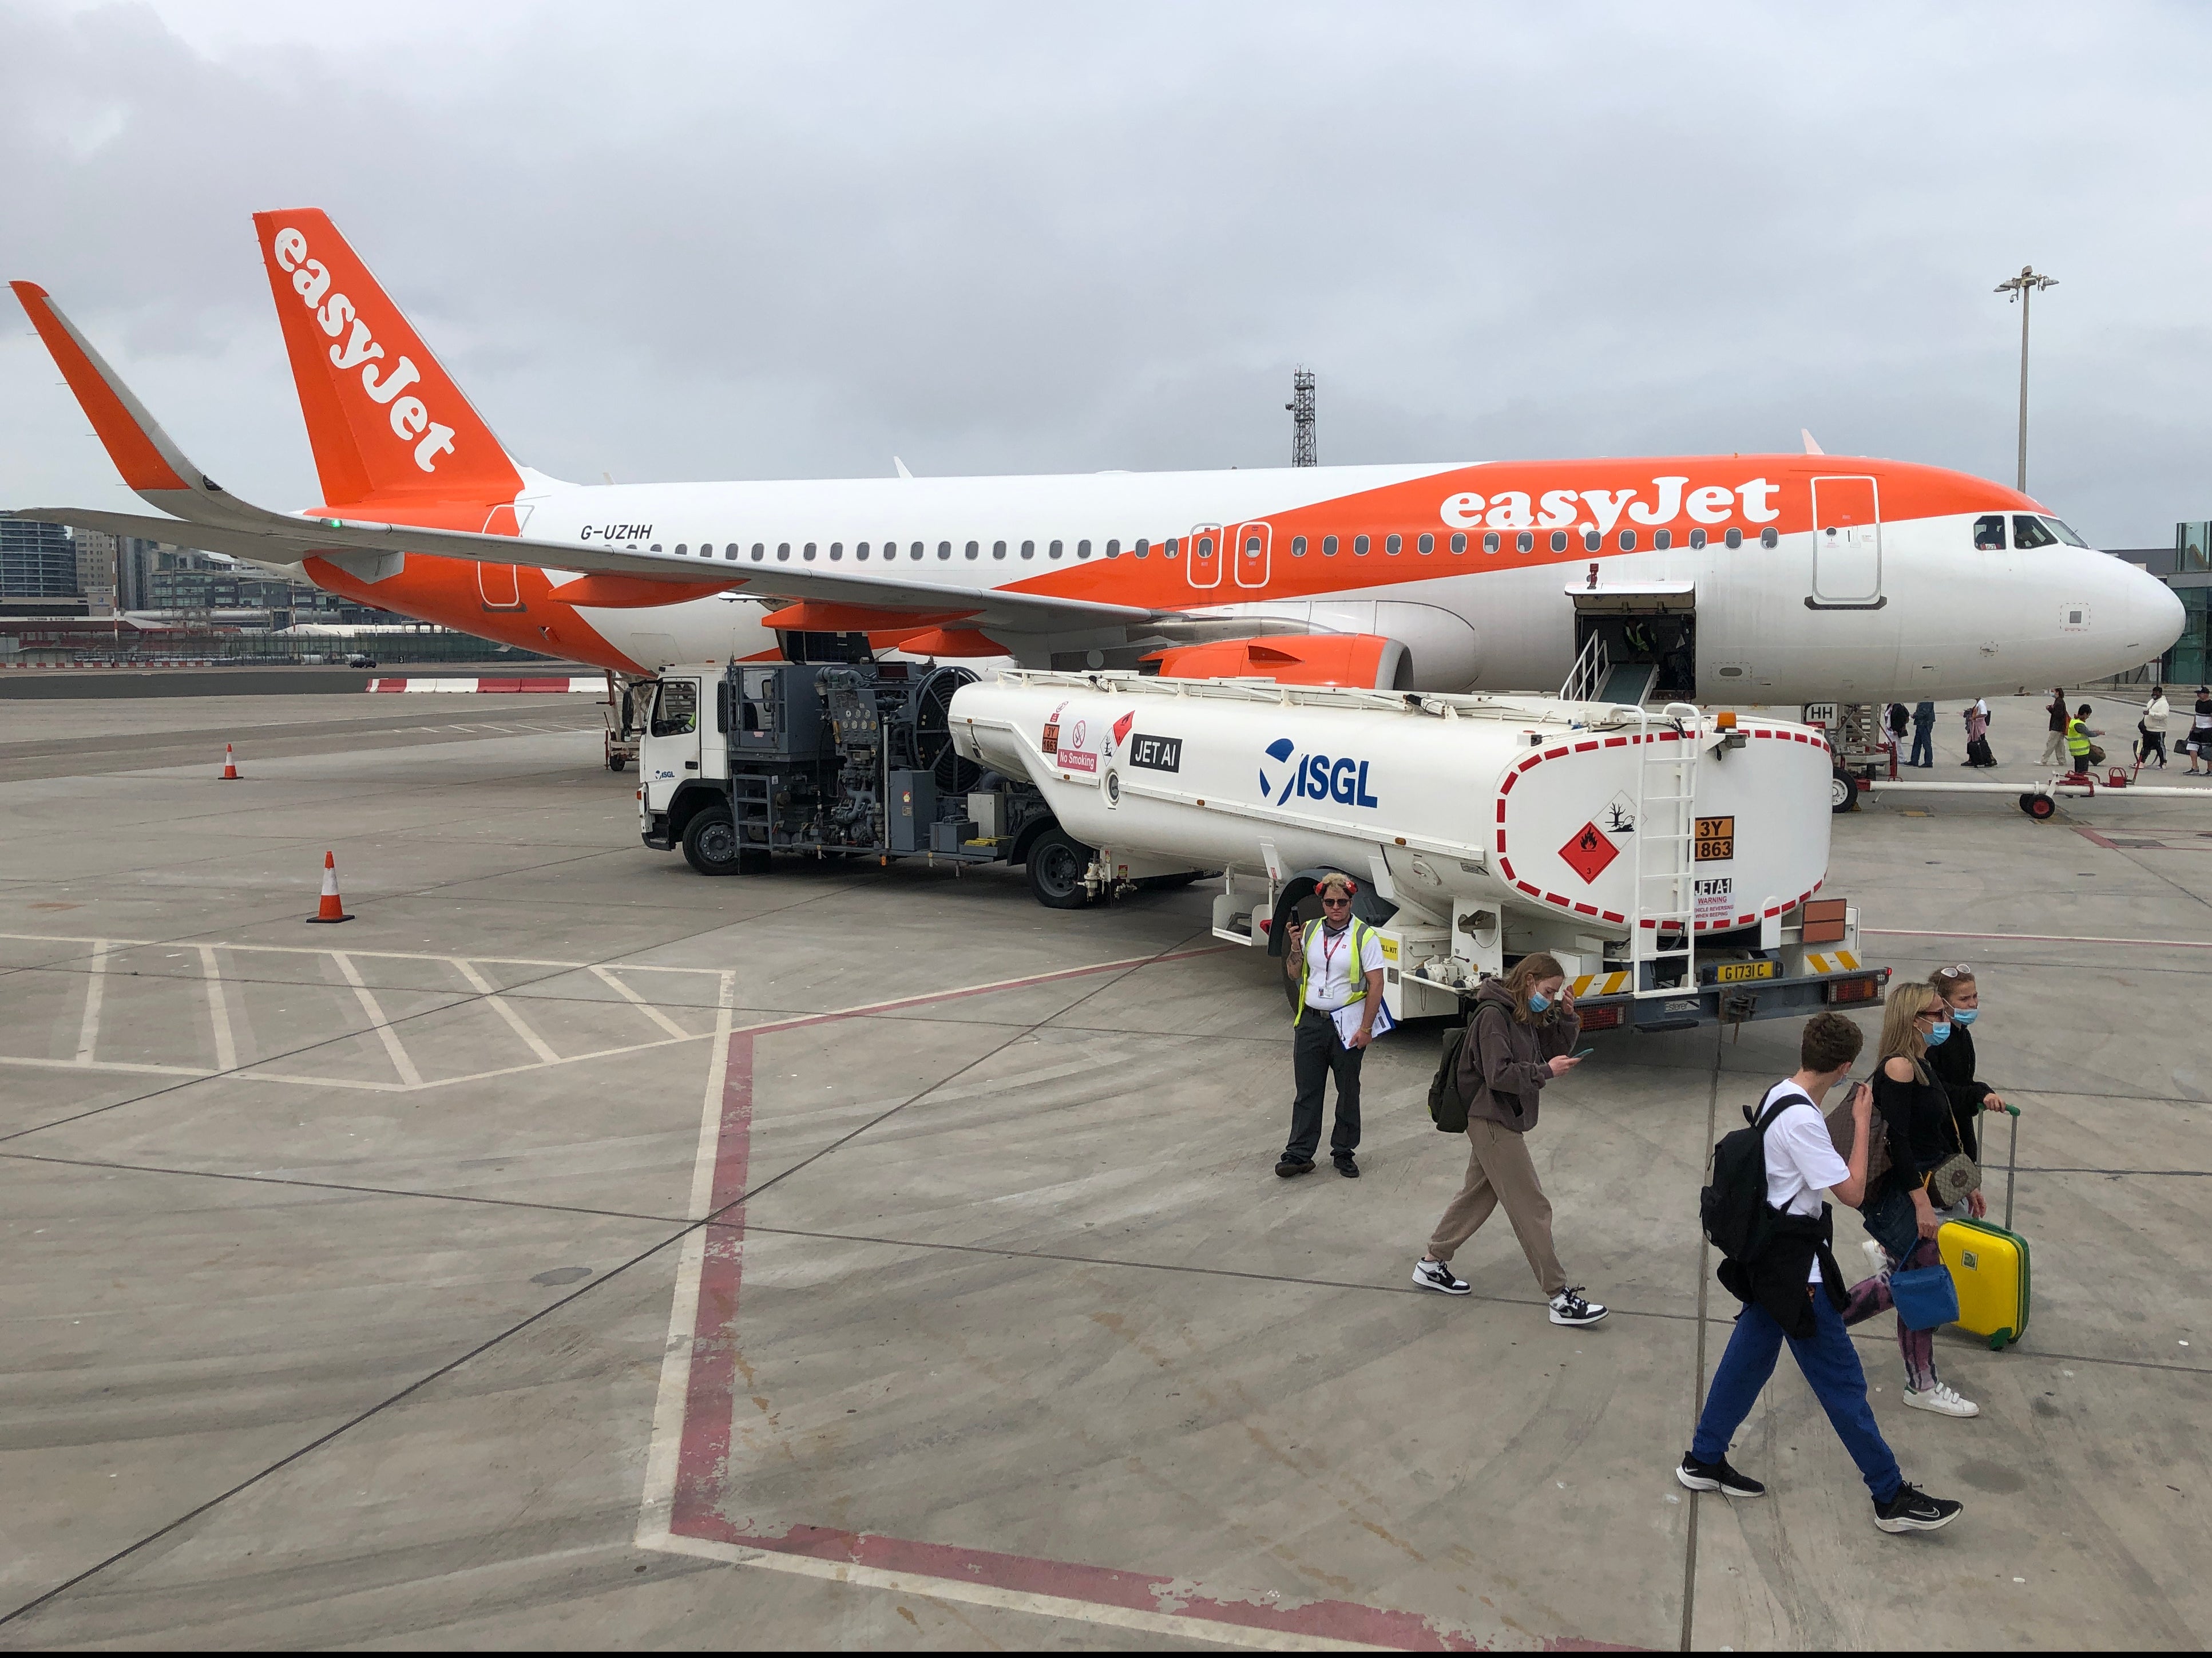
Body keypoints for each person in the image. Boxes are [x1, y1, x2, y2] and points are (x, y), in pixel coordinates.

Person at [1676, 1012, 1964, 1534]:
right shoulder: (1804, 1120)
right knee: (1843, 1383)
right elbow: (1852, 1192)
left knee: (1749, 1359)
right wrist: (1860, 1123)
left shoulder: (1777, 1094)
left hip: (1767, 1263)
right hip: (1796, 1272)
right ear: (1845, 1066)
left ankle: (1703, 1458)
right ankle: (1889, 1494)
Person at [1410, 952, 1607, 1327]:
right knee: (1531, 1205)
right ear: (1530, 979)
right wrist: (1545, 1073)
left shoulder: (1521, 1012)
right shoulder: (1492, 1016)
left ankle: (1432, 1263)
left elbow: (1551, 1050)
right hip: (1491, 1117)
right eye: (1548, 991)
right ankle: (1559, 1297)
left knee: (1478, 1195)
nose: (1548, 999)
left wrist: (1566, 1017)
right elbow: (1498, 1074)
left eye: (1554, 994)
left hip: (1503, 1116)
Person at [1848, 984, 1979, 1417]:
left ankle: (1812, 1322)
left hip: (1926, 1189)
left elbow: (1940, 1133)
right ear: (1913, 1019)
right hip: (1906, 1196)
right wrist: (1922, 1204)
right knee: (1919, 1286)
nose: (1946, 1020)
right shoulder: (1900, 1068)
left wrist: (1966, 1181)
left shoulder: (1923, 1063)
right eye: (1938, 1013)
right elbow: (1901, 1145)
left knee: (1905, 1283)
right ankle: (1921, 1384)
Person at [1278, 872, 1384, 1179]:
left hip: (1346, 1024)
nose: (1336, 907)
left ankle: (1344, 1152)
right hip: (1311, 1022)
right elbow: (1295, 973)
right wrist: (1295, 947)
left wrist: (1366, 1029)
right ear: (1322, 903)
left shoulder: (1364, 937)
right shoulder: (1309, 930)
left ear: (1351, 903)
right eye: (1329, 902)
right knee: (1307, 1092)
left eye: (1342, 902)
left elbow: (1376, 985)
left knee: (1348, 1091)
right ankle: (1298, 1154)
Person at [1925, 964, 2009, 1166]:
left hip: (1960, 1132)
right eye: (1964, 999)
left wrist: (1983, 1092)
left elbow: (1964, 1082)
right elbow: (1940, 1089)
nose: (1973, 1004)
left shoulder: (1962, 1033)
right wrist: (1978, 1094)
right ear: (1942, 1003)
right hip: (1942, 1140)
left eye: (1975, 996)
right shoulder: (1936, 1040)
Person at [2064, 703, 2098, 776]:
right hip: (2081, 752)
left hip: (2078, 752)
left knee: (2079, 772)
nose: (2088, 717)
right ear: (2085, 714)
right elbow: (2088, 733)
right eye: (2088, 715)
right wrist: (2098, 733)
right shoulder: (2078, 724)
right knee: (2082, 773)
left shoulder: (2075, 721)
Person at [2141, 686, 2170, 769]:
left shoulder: (2164, 703)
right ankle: (2142, 762)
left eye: (2156, 693)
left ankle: (2163, 763)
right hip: (2149, 728)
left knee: (2159, 746)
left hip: (2158, 729)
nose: (2154, 695)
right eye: (2153, 693)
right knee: (2146, 746)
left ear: (2160, 693)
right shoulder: (2152, 701)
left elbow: (2164, 715)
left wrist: (2151, 714)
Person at [2041, 688, 2070, 769]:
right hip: (2060, 727)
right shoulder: (2060, 701)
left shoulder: (2059, 702)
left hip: (2057, 727)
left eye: (2054, 692)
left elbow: (2058, 715)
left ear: (2058, 692)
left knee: (2051, 744)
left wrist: (2050, 709)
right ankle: (2062, 761)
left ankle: (2044, 760)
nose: (2052, 693)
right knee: (2059, 745)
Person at [1961, 699, 1994, 767]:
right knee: (1971, 742)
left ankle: (1991, 759)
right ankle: (1972, 759)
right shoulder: (1978, 703)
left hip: (1979, 727)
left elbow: (1984, 714)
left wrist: (1974, 717)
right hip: (1975, 727)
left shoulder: (1981, 702)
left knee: (1982, 743)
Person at [2190, 688, 2212, 775]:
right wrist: (2193, 727)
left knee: (2207, 750)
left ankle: (2210, 769)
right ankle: (2195, 767)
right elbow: (2197, 716)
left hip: (2207, 729)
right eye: (2198, 694)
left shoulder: (2211, 704)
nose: (2198, 695)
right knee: (2192, 747)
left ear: (2206, 694)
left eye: (2200, 693)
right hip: (2197, 729)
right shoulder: (2198, 703)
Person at [1909, 699, 1936, 769]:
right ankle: (1914, 760)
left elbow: (1925, 712)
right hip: (1920, 723)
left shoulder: (1928, 699)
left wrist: (1915, 715)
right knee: (1917, 743)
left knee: (1926, 743)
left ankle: (1928, 762)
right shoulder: (1923, 698)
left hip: (1925, 724)